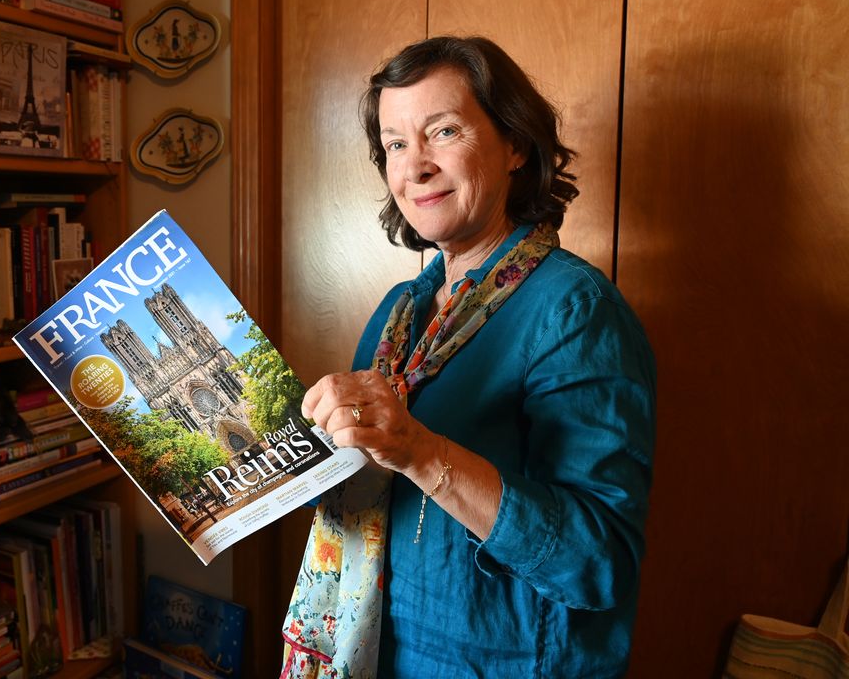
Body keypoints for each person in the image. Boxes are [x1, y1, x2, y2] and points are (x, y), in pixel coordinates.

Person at [280, 36, 656, 678]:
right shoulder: (400, 312)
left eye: (443, 131)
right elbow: (365, 480)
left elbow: (600, 565)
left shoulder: (575, 309)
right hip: (379, 650)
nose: (414, 166)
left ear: (514, 145)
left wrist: (421, 451)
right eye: (395, 144)